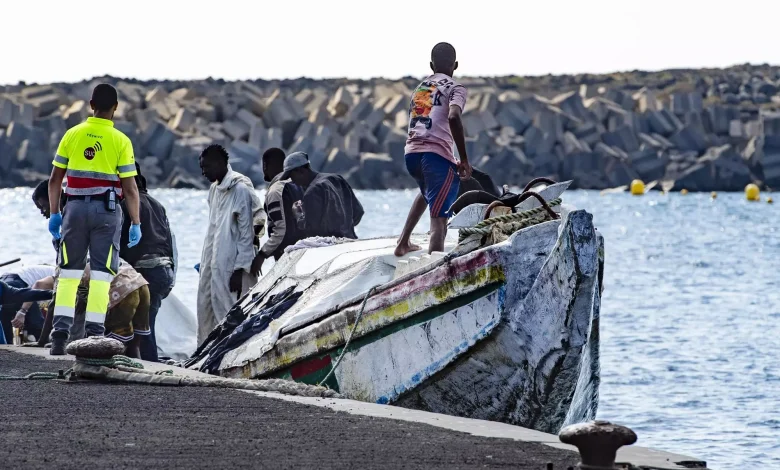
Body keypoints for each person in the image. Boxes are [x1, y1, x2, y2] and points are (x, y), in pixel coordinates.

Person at [47, 83, 142, 355]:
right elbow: (130, 188)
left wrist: (55, 214)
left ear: (91, 105)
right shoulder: (120, 140)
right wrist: (135, 222)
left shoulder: (72, 135)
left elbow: (54, 180)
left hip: (73, 210)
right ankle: (94, 337)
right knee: (101, 276)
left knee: (68, 274)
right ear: (115, 108)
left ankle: (59, 337)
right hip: (107, 212)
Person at [395, 42, 472, 257]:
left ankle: (403, 243)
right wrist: (464, 159)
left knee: (426, 191)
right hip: (434, 157)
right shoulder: (456, 88)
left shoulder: (420, 88)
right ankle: (434, 270)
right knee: (439, 222)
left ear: (431, 65)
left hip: (411, 155)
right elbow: (454, 117)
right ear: (455, 65)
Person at [197, 144, 264, 343]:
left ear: (220, 163)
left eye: (206, 167)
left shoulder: (240, 189)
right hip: (214, 262)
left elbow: (246, 233)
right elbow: (214, 229)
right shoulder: (214, 190)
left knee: (230, 312)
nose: (203, 172)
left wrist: (240, 270)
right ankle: (207, 356)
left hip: (231, 266)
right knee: (206, 307)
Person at [119, 162, 176, 362]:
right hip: (164, 271)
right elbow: (171, 242)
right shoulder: (157, 205)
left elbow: (122, 246)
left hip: (147, 271)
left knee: (142, 326)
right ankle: (147, 362)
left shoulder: (126, 204)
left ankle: (149, 366)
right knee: (145, 323)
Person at [282, 152, 364, 240]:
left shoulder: (312, 192)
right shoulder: (337, 179)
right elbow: (358, 212)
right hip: (350, 241)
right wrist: (345, 229)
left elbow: (311, 230)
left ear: (300, 170)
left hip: (330, 248)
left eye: (291, 176)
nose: (292, 181)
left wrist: (298, 214)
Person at [250, 148, 304, 276]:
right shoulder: (297, 185)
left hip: (288, 256)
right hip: (303, 251)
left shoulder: (276, 191)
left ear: (265, 166)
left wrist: (261, 255)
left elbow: (281, 230)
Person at [0, 265, 55, 344]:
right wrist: (23, 311)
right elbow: (38, 285)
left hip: (4, 281)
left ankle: (6, 349)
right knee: (37, 324)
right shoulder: (59, 274)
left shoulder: (42, 271)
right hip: (17, 284)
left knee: (6, 325)